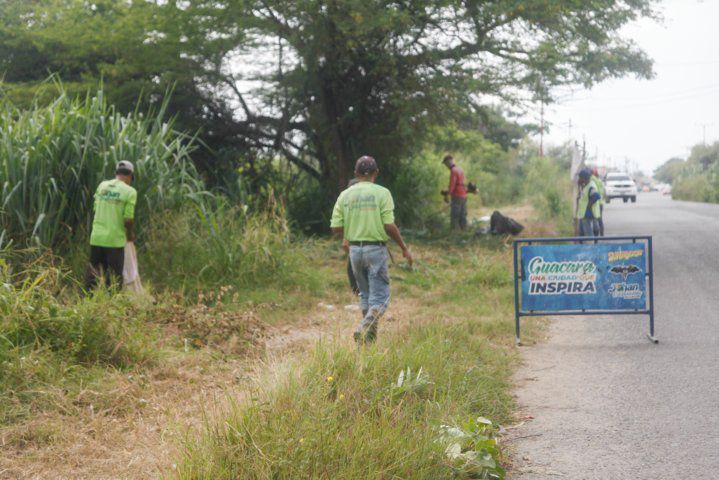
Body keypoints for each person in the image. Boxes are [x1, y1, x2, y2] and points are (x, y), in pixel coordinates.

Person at [331, 156, 413, 344]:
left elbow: (336, 227)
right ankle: (364, 325)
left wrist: (354, 227)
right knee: (381, 298)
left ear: (356, 174)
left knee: (366, 295)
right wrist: (404, 248)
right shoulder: (382, 193)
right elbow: (389, 226)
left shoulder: (345, 195)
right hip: (375, 250)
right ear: (376, 173)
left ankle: (367, 342)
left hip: (355, 252)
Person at [85, 160, 137, 289]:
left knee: (93, 274)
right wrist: (129, 234)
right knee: (114, 279)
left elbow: (96, 208)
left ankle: (87, 302)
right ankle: (112, 305)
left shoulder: (102, 186)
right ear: (130, 176)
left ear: (116, 173)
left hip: (97, 238)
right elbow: (128, 219)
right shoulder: (130, 191)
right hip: (114, 240)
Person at [441, 155, 468, 230]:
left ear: (448, 162)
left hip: (457, 195)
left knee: (455, 215)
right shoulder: (460, 169)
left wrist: (447, 194)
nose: (446, 166)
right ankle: (464, 230)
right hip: (464, 195)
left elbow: (452, 184)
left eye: (446, 164)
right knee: (463, 215)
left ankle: (455, 232)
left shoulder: (453, 171)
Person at [575, 168, 601, 237]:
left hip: (587, 214)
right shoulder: (586, 185)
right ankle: (589, 245)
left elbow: (596, 196)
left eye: (580, 177)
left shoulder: (591, 186)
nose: (579, 179)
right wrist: (580, 186)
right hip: (584, 214)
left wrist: (588, 206)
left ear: (584, 178)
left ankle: (591, 247)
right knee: (583, 233)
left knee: (588, 234)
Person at [591, 167, 605, 236]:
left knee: (596, 219)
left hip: (597, 203)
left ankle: (597, 235)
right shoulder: (599, 181)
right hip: (601, 202)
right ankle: (602, 234)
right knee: (600, 219)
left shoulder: (593, 179)